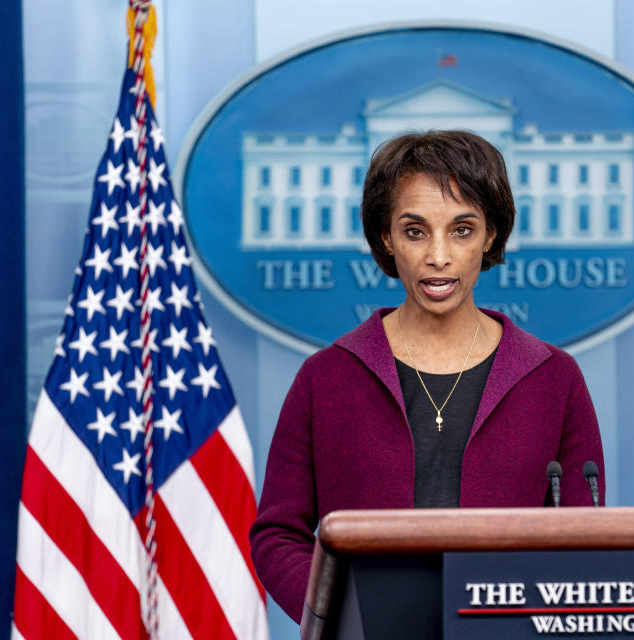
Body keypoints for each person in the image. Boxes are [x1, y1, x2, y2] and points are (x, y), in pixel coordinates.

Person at [249, 130, 605, 622]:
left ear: (491, 235)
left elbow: (582, 537)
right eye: (415, 231)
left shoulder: (553, 379)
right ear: (386, 237)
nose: (438, 255)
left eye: (461, 229)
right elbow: (278, 533)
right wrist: (341, 614)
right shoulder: (326, 377)